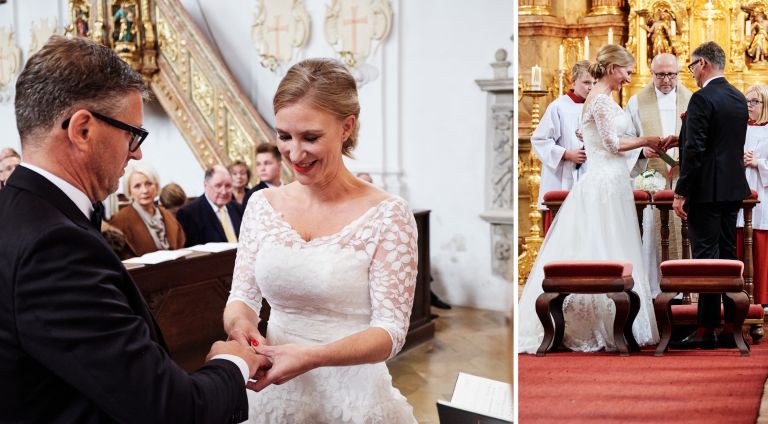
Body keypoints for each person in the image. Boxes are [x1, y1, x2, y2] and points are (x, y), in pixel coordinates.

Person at [0, 35, 270, 422]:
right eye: (132, 132)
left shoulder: (20, 211)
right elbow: (167, 411)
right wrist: (232, 363)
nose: (137, 152)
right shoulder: (53, 246)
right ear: (83, 130)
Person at [223, 58, 418, 422]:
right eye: (284, 136)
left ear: (346, 127)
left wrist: (312, 356)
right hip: (271, 391)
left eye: (310, 137)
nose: (295, 154)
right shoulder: (262, 205)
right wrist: (240, 326)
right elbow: (241, 297)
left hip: (353, 399)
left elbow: (390, 331)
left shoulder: (388, 214)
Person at [518, 44, 662, 354]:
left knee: (608, 245)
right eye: (626, 71)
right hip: (605, 184)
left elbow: (595, 137)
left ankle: (610, 316)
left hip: (609, 181)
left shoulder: (599, 100)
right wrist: (645, 140)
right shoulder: (599, 101)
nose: (628, 77)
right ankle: (599, 320)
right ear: (612, 69)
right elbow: (611, 143)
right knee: (603, 245)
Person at [664, 41, 752, 348]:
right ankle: (731, 328)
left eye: (691, 67)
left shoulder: (702, 99)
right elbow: (722, 143)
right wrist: (683, 136)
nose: (692, 74)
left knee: (706, 260)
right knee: (729, 258)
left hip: (705, 191)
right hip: (732, 189)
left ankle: (706, 330)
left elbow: (697, 151)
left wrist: (680, 193)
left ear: (703, 64)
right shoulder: (738, 98)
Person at [624, 53, 692, 295]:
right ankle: (653, 291)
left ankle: (684, 292)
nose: (666, 80)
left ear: (678, 73)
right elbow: (626, 139)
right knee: (653, 238)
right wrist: (642, 151)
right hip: (652, 180)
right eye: (660, 75)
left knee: (684, 237)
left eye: (671, 74)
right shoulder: (636, 101)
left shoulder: (692, 100)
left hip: (683, 181)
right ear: (651, 73)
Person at [531, 60, 594, 234]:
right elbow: (540, 140)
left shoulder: (598, 106)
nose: (591, 87)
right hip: (563, 179)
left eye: (594, 83)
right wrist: (566, 154)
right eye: (586, 82)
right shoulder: (558, 107)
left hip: (590, 177)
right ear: (573, 81)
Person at [108, 164, 186, 259]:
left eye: (148, 184)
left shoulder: (168, 215)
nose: (144, 190)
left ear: (156, 186)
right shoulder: (120, 221)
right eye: (137, 186)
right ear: (129, 191)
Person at [738, 84, 768, 306]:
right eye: (746, 101)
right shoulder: (739, 128)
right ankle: (740, 296)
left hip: (764, 194)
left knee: (760, 243)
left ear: (765, 104)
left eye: (754, 102)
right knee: (740, 240)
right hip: (740, 191)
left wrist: (759, 163)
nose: (749, 106)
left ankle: (762, 299)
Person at [176, 164, 243, 246]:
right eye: (218, 186)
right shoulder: (189, 214)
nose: (224, 191)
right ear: (205, 185)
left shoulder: (238, 209)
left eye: (228, 186)